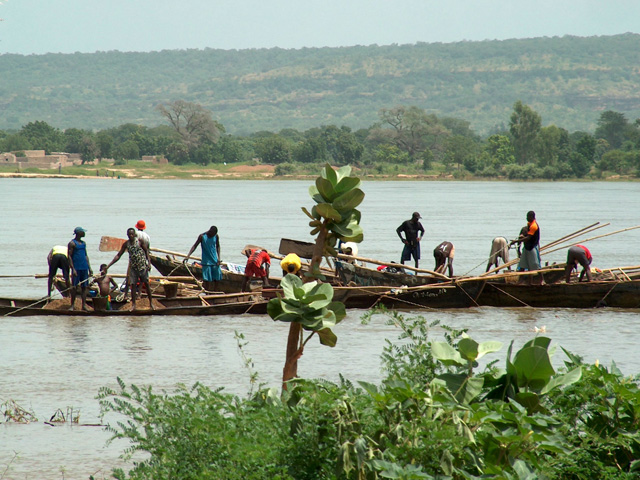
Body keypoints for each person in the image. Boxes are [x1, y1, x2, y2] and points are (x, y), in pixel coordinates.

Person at [106, 227, 154, 311]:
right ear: (127, 235)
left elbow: (146, 252)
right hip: (133, 267)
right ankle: (133, 305)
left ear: (134, 234)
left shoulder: (139, 242)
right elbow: (118, 256)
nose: (131, 236)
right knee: (133, 285)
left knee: (146, 284)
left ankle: (151, 303)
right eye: (129, 235)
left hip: (142, 266)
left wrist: (149, 263)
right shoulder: (126, 244)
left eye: (132, 234)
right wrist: (108, 266)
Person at [184, 226, 222, 292]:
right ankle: (207, 292)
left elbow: (218, 246)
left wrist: (219, 258)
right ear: (210, 231)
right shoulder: (202, 236)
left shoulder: (216, 236)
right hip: (206, 261)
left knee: (217, 278)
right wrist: (188, 256)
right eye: (212, 234)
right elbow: (194, 246)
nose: (213, 235)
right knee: (207, 280)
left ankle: (215, 292)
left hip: (215, 261)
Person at [510, 211, 541, 283]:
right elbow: (527, 236)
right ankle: (520, 281)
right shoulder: (529, 224)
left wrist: (516, 241)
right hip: (527, 248)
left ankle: (541, 280)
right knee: (522, 265)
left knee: (535, 265)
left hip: (532, 247)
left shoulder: (534, 226)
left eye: (528, 217)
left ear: (532, 217)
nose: (526, 218)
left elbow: (528, 238)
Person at [68, 227, 92, 311]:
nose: (84, 234)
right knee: (74, 287)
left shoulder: (83, 243)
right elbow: (69, 257)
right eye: (83, 232)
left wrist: (89, 268)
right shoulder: (72, 243)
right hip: (76, 268)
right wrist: (73, 268)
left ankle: (84, 305)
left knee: (85, 287)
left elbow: (86, 256)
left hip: (84, 267)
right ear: (78, 233)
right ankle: (72, 305)